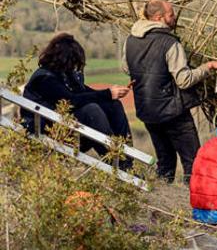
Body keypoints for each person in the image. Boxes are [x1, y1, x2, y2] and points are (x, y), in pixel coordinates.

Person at [122, 0, 217, 183]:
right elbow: (184, 81)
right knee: (193, 163)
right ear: (159, 18)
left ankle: (163, 200)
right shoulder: (169, 43)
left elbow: (126, 68)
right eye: (171, 14)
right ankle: (193, 203)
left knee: (165, 162)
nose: (174, 17)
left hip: (147, 111)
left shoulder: (130, 40)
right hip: (173, 112)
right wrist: (207, 68)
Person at [21, 33, 133, 166]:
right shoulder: (45, 79)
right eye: (73, 63)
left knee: (113, 105)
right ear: (64, 60)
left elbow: (85, 93)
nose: (75, 69)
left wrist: (112, 93)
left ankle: (127, 161)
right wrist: (107, 94)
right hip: (51, 133)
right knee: (92, 111)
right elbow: (69, 101)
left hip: (67, 127)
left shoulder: (66, 75)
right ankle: (117, 162)